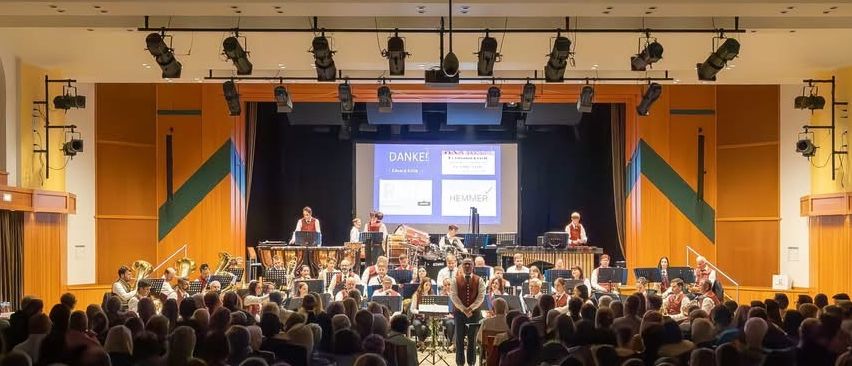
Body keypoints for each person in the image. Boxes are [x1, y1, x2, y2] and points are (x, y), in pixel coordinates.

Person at [449, 258, 486, 366]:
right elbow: (453, 296)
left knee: (472, 339)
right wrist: (463, 309)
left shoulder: (479, 280)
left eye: (469, 264)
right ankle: (460, 363)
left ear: (473, 266)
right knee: (459, 339)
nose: (467, 266)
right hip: (459, 314)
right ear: (461, 266)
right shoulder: (455, 280)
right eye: (465, 264)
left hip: (474, 314)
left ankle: (471, 363)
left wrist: (471, 308)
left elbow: (481, 297)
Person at [409, 279, 434, 343]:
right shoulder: (416, 294)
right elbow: (412, 309)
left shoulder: (432, 294)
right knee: (417, 324)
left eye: (429, 285)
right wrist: (420, 312)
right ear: (422, 285)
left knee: (428, 327)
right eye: (426, 285)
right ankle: (421, 342)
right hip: (417, 318)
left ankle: (422, 342)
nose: (428, 287)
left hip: (428, 318)